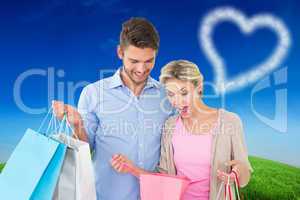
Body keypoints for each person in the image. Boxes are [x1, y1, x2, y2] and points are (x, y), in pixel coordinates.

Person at [52, 17, 173, 200]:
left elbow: (177, 148)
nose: (141, 69)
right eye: (134, 61)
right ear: (120, 52)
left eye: (149, 61)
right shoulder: (93, 93)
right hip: (107, 195)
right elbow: (86, 148)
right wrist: (77, 125)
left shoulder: (168, 96)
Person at [111, 60, 253, 200]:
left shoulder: (229, 121)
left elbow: (244, 176)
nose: (177, 102)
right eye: (171, 94)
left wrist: (237, 173)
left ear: (199, 88)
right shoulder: (170, 126)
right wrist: (131, 169)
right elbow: (164, 177)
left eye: (184, 93)